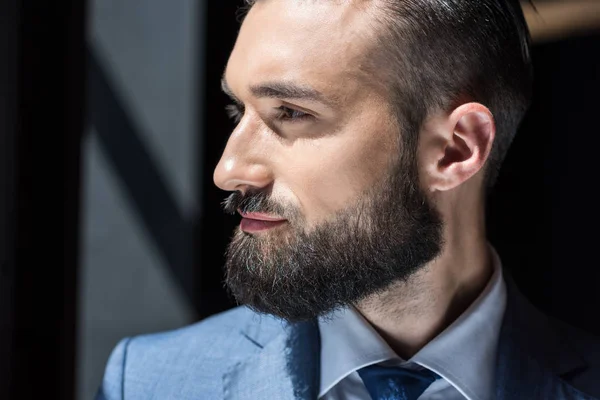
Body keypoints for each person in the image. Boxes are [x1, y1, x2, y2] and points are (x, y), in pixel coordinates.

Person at [96, 0, 600, 399]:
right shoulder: (148, 383)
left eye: (290, 112)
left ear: (455, 150)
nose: (228, 171)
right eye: (238, 110)